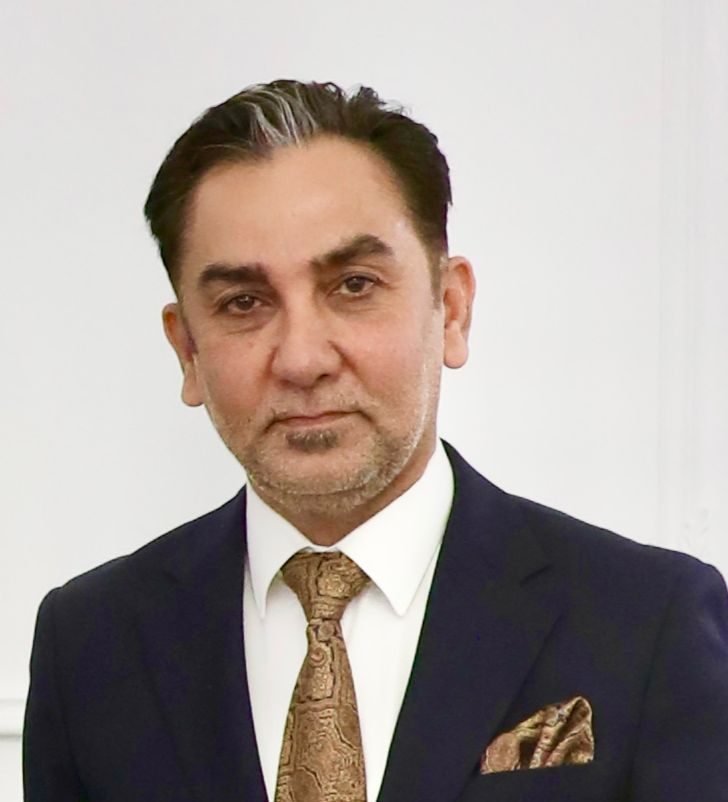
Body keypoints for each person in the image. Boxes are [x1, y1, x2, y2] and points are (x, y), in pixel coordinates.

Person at [23, 80, 728, 802]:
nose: (302, 359)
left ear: (451, 309)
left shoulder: (647, 622)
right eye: (244, 302)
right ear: (188, 351)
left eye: (354, 286)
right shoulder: (91, 645)